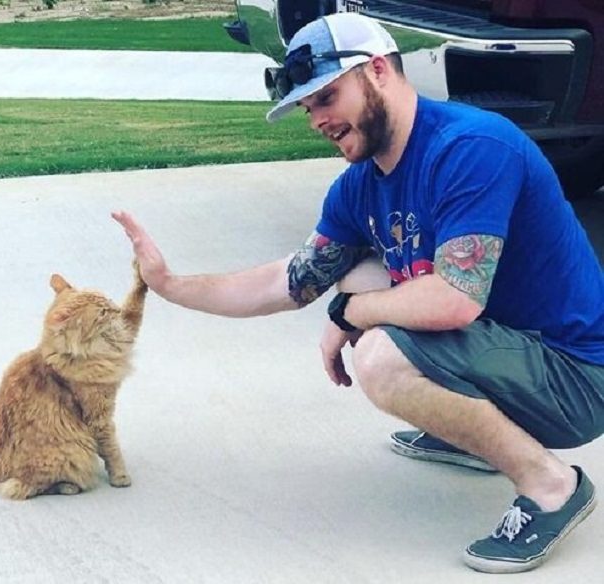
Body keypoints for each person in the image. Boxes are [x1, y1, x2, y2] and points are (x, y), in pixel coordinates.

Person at [113, 12, 604, 573]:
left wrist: (350, 314)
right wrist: (171, 285)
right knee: (355, 272)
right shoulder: (359, 186)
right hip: (512, 349)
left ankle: (552, 486)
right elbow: (288, 281)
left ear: (377, 70)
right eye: (307, 107)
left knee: (380, 356)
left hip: (578, 379)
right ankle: (474, 431)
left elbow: (455, 301)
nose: (317, 119)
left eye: (326, 97)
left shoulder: (472, 148)